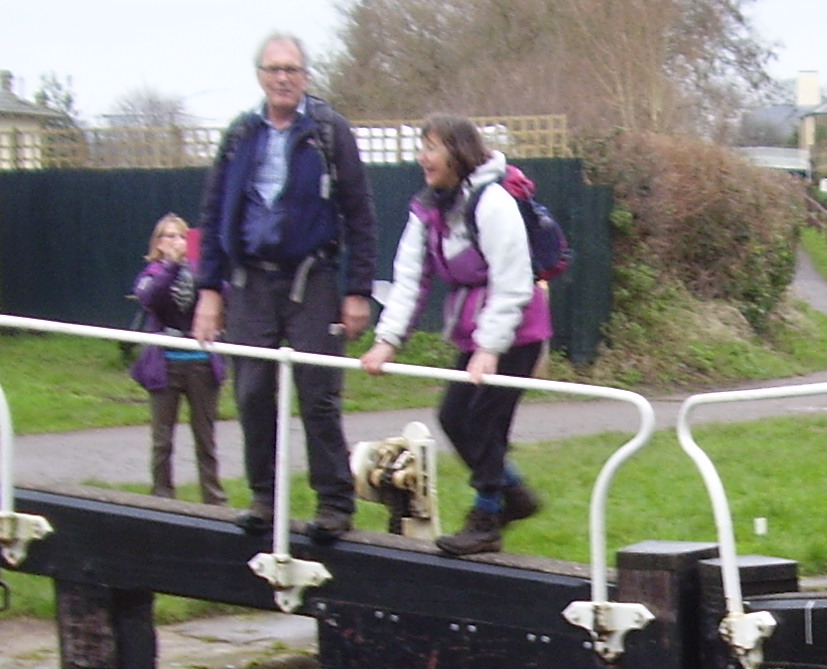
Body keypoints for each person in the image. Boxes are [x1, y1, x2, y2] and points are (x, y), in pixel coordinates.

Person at [190, 33, 374, 540]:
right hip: (250, 281)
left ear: (305, 76)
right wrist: (209, 289)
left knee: (318, 394)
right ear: (260, 77)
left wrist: (357, 290)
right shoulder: (239, 136)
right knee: (251, 393)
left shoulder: (328, 131)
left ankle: (334, 504)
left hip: (310, 277)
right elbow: (211, 213)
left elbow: (359, 214)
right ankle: (265, 498)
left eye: (292, 69)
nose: (283, 78)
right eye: (274, 69)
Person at [360, 115, 546, 557]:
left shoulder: (493, 202)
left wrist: (490, 348)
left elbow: (514, 281)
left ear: (458, 153)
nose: (423, 158)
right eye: (422, 148)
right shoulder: (428, 209)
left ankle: (487, 517)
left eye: (432, 148)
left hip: (517, 333)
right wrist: (387, 340)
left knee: (484, 422)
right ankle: (514, 494)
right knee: (454, 417)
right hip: (475, 334)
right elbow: (409, 278)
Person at [129, 213, 225, 505]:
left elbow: (224, 297)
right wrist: (171, 266)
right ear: (158, 243)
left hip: (201, 364)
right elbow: (151, 298)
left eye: (181, 236)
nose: (176, 241)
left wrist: (199, 273)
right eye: (168, 236)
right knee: (162, 440)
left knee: (205, 438)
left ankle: (214, 499)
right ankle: (162, 497)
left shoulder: (202, 272)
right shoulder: (151, 273)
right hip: (164, 365)